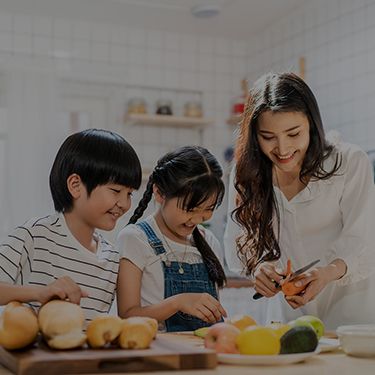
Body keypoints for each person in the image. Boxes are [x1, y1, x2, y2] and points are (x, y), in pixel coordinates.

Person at [225, 72, 375, 329]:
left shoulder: (348, 162)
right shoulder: (247, 173)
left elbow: (363, 240)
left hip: (351, 313)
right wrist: (260, 268)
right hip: (288, 316)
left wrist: (326, 274)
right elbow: (239, 241)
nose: (282, 149)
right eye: (268, 137)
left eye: (293, 134)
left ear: (312, 125)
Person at [0, 129, 142, 324]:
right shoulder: (34, 235)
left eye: (129, 194)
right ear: (75, 185)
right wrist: (40, 292)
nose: (125, 204)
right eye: (116, 190)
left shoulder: (111, 257)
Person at [116, 146, 227, 332]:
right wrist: (177, 302)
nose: (198, 219)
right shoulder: (135, 238)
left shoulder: (209, 241)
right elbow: (127, 315)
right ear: (159, 193)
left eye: (208, 208)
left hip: (203, 352)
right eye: (190, 209)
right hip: (159, 354)